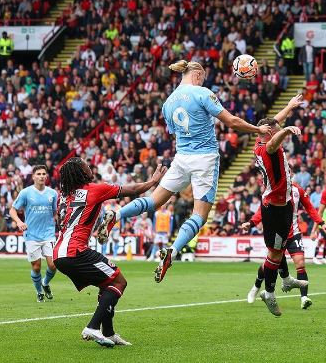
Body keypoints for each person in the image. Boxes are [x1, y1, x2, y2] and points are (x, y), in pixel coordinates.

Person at [96, 60, 271, 283]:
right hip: (205, 158)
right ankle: (173, 250)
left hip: (181, 157)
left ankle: (117, 214)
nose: (203, 81)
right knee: (199, 215)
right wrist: (258, 129)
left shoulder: (167, 103)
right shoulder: (202, 93)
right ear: (197, 74)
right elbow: (232, 122)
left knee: (154, 201)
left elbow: (175, 132)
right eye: (203, 77)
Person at [53, 157, 166, 347]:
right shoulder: (95, 189)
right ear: (81, 172)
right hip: (76, 251)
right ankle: (92, 327)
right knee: (119, 281)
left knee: (107, 285)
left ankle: (109, 332)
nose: (90, 167)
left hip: (60, 253)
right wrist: (154, 181)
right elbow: (134, 190)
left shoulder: (64, 196)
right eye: (86, 166)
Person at [252, 93, 308, 316]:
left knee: (279, 249)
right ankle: (269, 294)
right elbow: (275, 139)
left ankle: (285, 280)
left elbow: (272, 124)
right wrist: (287, 130)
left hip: (283, 205)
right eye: (276, 129)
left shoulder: (260, 139)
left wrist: (289, 107)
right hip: (275, 208)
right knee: (274, 254)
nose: (278, 127)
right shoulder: (268, 147)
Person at [242, 181, 326, 309]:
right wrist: (251, 223)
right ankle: (256, 286)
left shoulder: (297, 190)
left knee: (300, 263)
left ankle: (304, 298)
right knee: (269, 264)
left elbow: (310, 207)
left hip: (293, 233)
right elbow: (261, 211)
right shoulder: (270, 191)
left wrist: (321, 223)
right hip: (277, 234)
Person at [9, 165, 59, 302]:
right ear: (33, 176)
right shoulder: (26, 192)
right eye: (39, 174)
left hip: (48, 233)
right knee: (36, 267)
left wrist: (57, 218)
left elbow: (54, 212)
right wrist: (19, 222)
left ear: (47, 176)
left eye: (44, 174)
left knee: (53, 265)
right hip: (32, 235)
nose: (42, 176)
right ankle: (39, 292)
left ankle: (46, 283)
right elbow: (12, 210)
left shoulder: (53, 194)